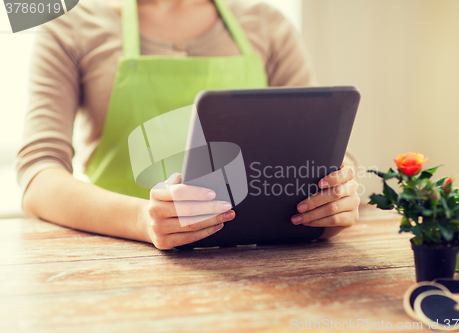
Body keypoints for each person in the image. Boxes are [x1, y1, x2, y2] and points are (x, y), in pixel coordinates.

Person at [16, 0, 360, 250]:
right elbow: (38, 177)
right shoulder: (69, 24)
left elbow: (320, 146)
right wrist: (141, 220)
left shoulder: (268, 24)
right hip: (119, 259)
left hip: (259, 262)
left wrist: (338, 193)